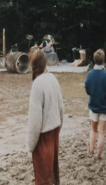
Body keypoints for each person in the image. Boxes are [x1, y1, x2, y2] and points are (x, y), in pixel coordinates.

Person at [27, 49, 64, 185]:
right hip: (54, 133)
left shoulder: (37, 84)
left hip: (43, 138)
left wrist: (31, 145)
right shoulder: (53, 78)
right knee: (53, 176)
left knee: (43, 179)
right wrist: (58, 129)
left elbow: (34, 121)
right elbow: (61, 108)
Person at [85, 49, 106, 159]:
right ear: (103, 60)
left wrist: (93, 94)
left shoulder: (90, 74)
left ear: (94, 60)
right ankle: (98, 155)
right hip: (105, 106)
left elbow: (87, 89)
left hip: (93, 105)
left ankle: (91, 151)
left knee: (93, 130)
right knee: (102, 132)